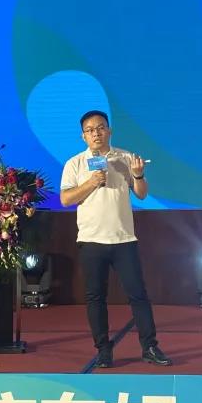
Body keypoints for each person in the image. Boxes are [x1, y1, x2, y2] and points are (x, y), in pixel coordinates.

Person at [59, 110, 171, 367]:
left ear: (109, 131)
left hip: (123, 239)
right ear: (83, 136)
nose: (96, 133)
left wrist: (138, 175)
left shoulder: (125, 157)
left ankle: (150, 347)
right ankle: (103, 349)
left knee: (138, 295)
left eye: (101, 128)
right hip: (91, 240)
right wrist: (91, 183)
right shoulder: (75, 163)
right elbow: (65, 199)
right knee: (96, 298)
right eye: (90, 130)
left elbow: (141, 194)